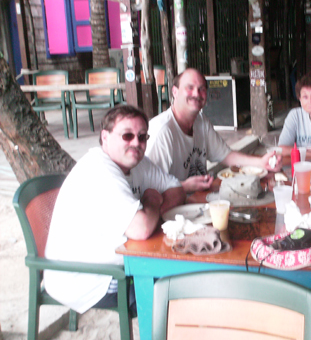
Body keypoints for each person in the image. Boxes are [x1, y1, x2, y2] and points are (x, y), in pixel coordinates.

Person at [44, 105, 185, 314]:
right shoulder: (100, 169)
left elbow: (177, 190)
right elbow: (141, 230)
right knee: (181, 293)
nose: (136, 143)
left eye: (142, 137)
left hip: (121, 261)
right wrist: (151, 203)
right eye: (127, 135)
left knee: (187, 276)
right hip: (88, 278)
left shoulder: (138, 163)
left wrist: (149, 213)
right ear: (105, 137)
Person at [146, 68, 283, 193]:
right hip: (170, 212)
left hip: (198, 200)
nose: (196, 93)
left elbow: (227, 156)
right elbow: (147, 186)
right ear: (174, 92)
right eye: (190, 88)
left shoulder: (201, 121)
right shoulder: (162, 132)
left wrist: (261, 163)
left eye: (202, 89)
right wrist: (185, 186)